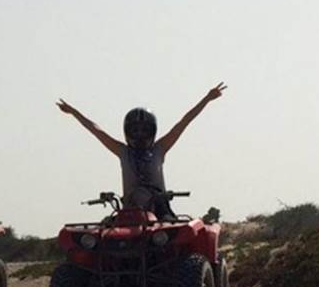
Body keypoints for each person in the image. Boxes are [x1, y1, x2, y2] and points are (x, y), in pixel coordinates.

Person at [57, 84, 226, 214]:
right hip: (130, 212)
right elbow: (96, 130)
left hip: (160, 211)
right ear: (127, 130)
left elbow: (184, 122)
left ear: (151, 130)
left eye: (144, 129)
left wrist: (207, 99)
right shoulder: (123, 151)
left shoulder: (160, 148)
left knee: (183, 238)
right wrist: (73, 112)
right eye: (135, 129)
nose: (139, 134)